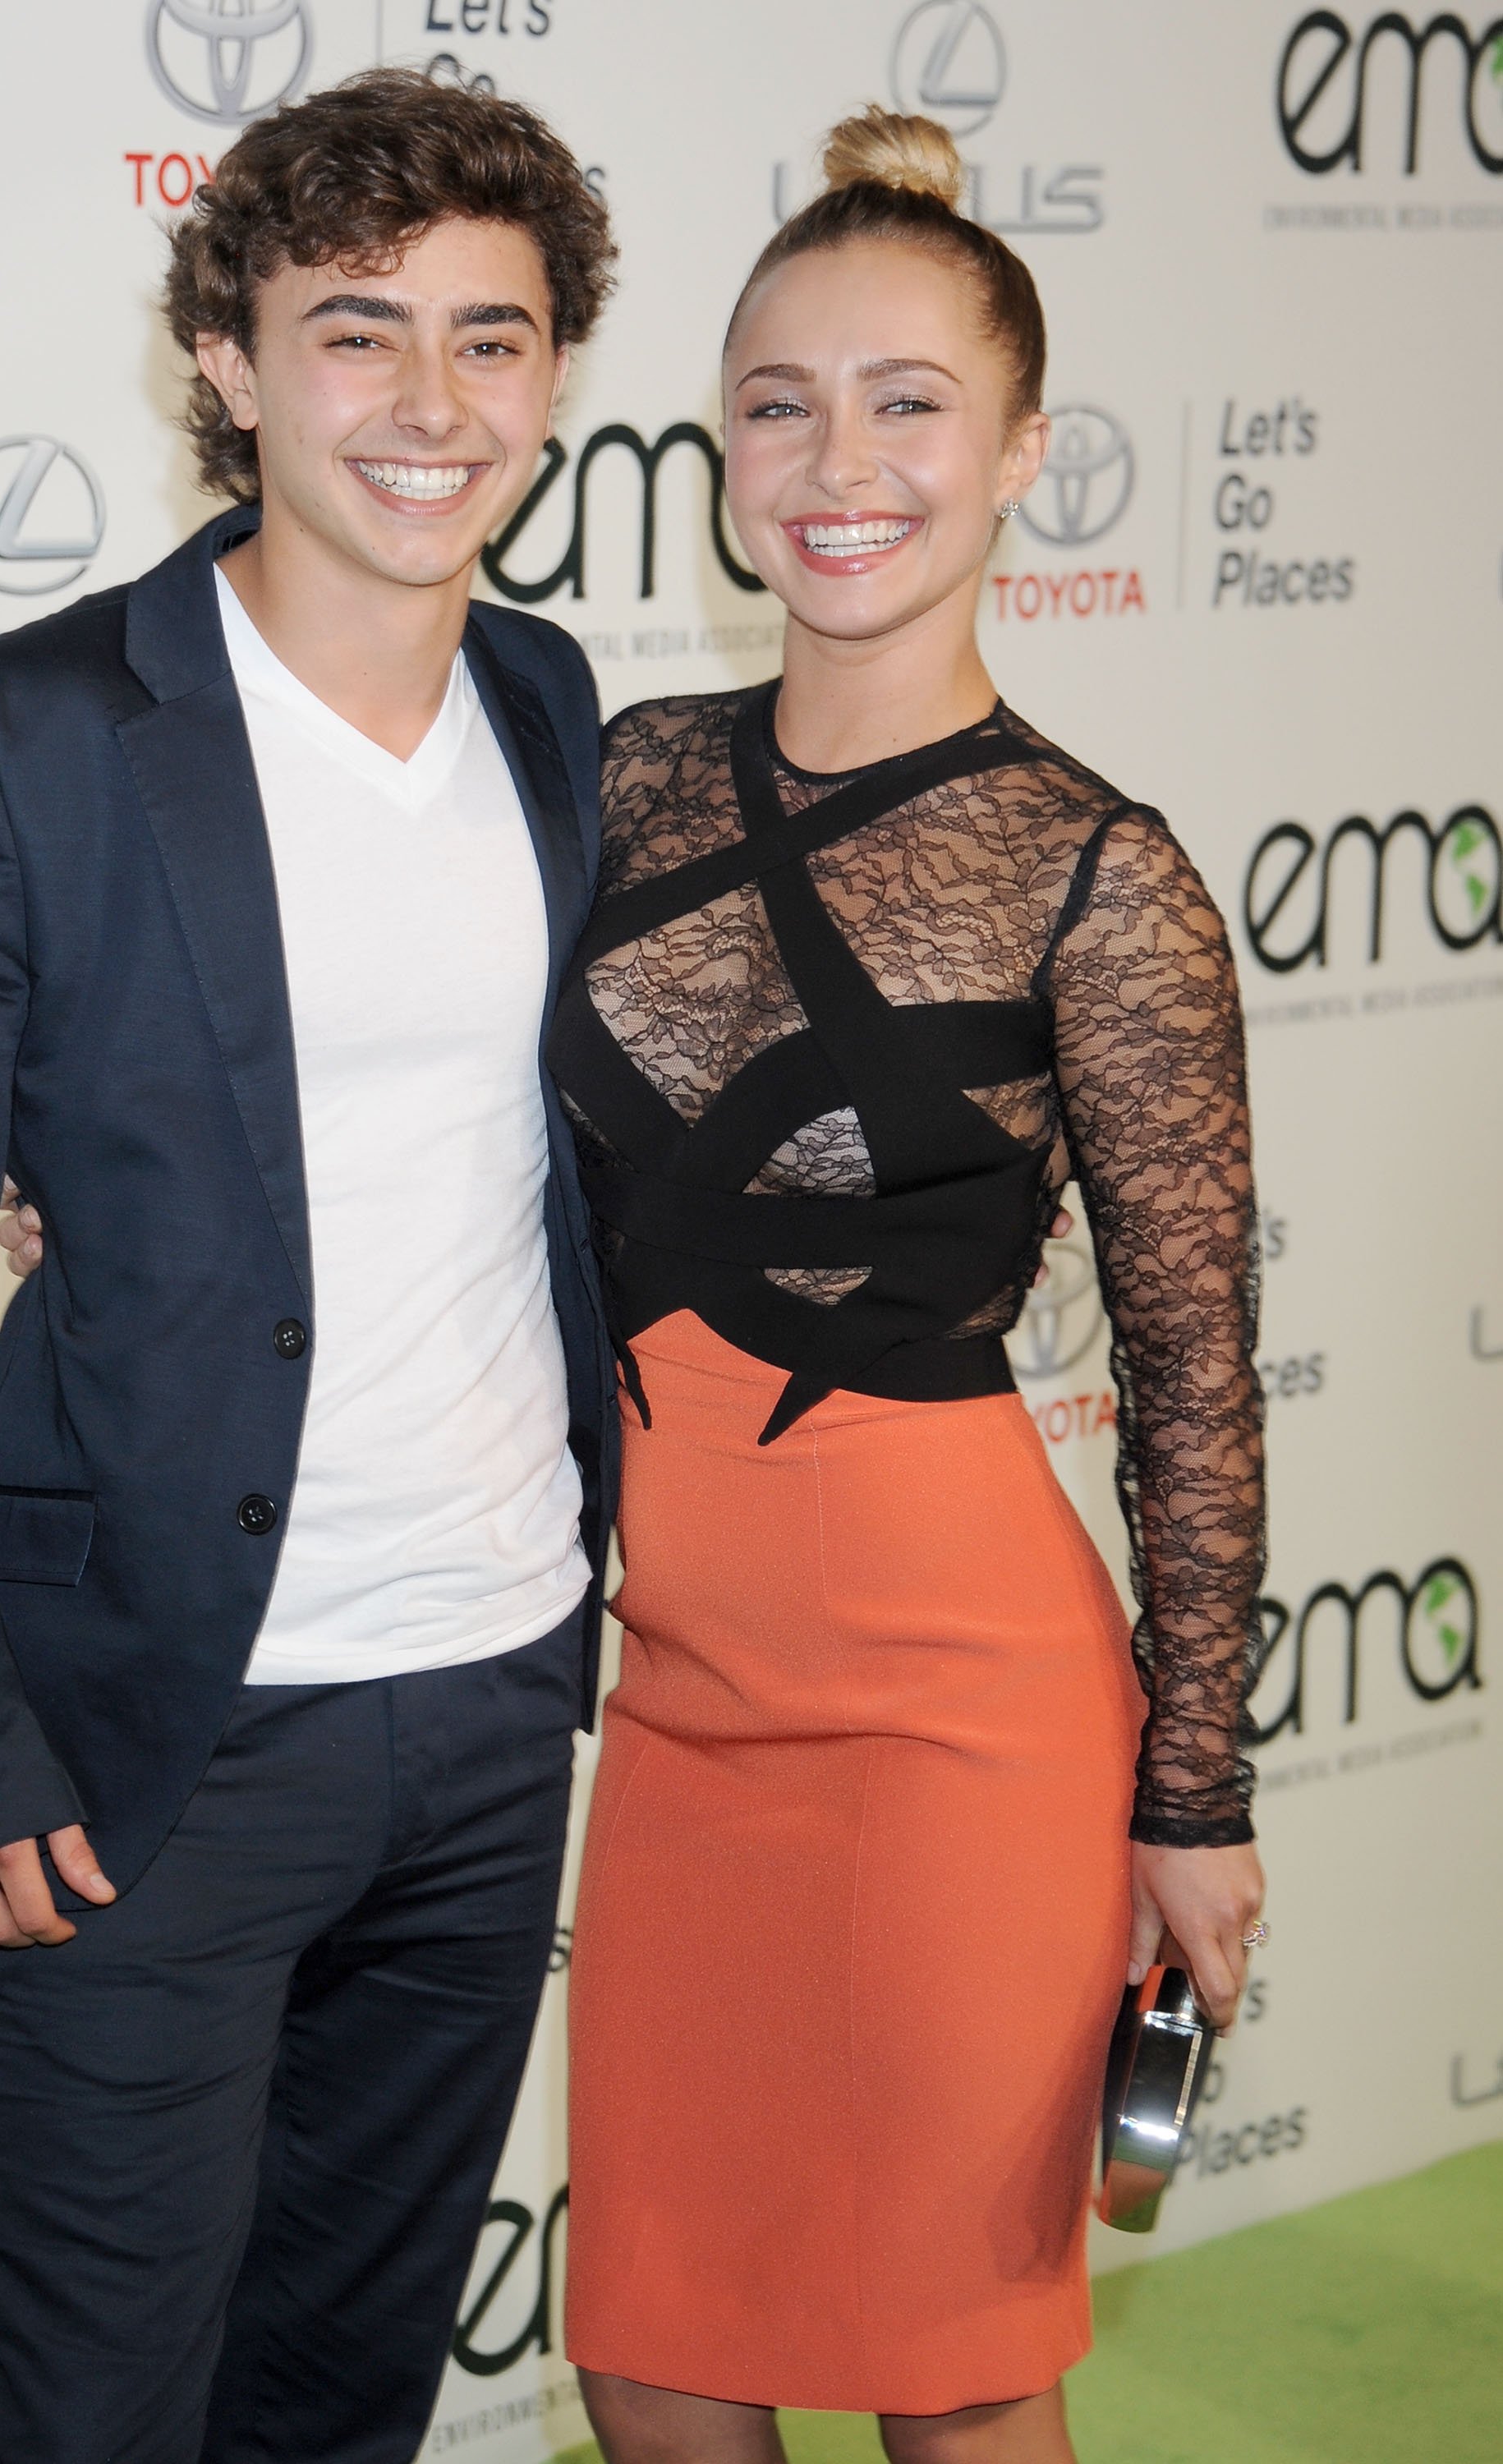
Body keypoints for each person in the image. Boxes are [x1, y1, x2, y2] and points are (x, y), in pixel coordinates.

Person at [0, 70, 618, 2464]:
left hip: (484, 1702)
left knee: (338, 2403)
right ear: (226, 361)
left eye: (492, 335)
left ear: (554, 376)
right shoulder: (20, 741)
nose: (429, 404)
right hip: (150, 1747)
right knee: (93, 2424)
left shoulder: (552, 708)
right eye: (358, 331)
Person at [549, 112, 1267, 2464]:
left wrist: (1198, 1792)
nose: (836, 461)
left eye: (907, 402)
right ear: (718, 446)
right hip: (680, 1708)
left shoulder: (1103, 879)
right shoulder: (616, 776)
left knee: (949, 2389)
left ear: (1022, 452)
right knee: (653, 2350)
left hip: (967, 1724)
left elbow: (1188, 1374)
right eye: (778, 400)